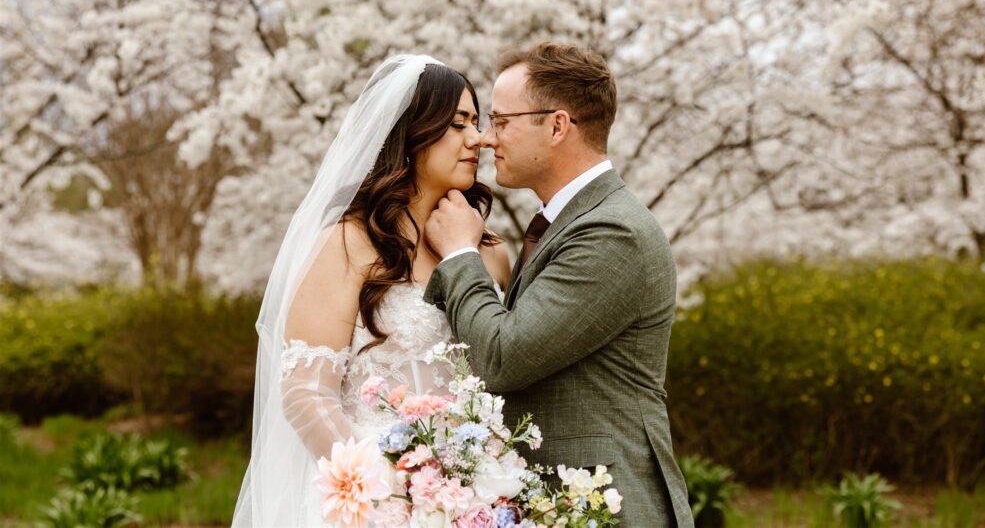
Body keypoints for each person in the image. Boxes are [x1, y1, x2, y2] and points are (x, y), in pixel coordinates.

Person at [424, 42, 695, 527]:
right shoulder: (570, 221)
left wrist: (461, 255)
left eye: (502, 121)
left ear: (556, 126)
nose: (486, 139)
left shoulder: (614, 233)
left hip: (609, 508)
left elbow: (503, 357)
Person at [232, 55, 511, 526]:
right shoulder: (350, 242)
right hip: (371, 502)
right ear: (410, 132)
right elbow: (305, 393)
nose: (477, 139)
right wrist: (392, 498)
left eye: (477, 122)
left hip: (479, 499)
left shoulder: (490, 253)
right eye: (458, 123)